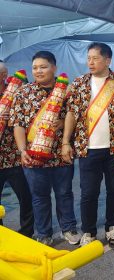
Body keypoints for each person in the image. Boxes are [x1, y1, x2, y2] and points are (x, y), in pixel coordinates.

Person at [62, 42, 114, 248]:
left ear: (108, 60)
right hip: (87, 149)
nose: (90, 62)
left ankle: (112, 227)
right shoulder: (79, 83)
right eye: (88, 58)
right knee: (88, 192)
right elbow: (72, 114)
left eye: (95, 58)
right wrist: (66, 141)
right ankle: (89, 231)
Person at [10, 51, 79, 245]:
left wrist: (63, 123)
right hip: (33, 156)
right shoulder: (24, 92)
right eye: (35, 68)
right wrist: (23, 150)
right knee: (39, 197)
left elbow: (78, 117)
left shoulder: (67, 90)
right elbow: (18, 124)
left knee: (64, 194)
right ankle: (44, 234)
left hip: (60, 154)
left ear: (54, 67)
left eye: (43, 67)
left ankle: (69, 228)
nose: (38, 71)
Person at [0, 60, 34, 237]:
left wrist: (12, 112)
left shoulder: (18, 90)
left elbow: (30, 114)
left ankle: (27, 233)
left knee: (26, 197)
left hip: (15, 155)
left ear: (4, 76)